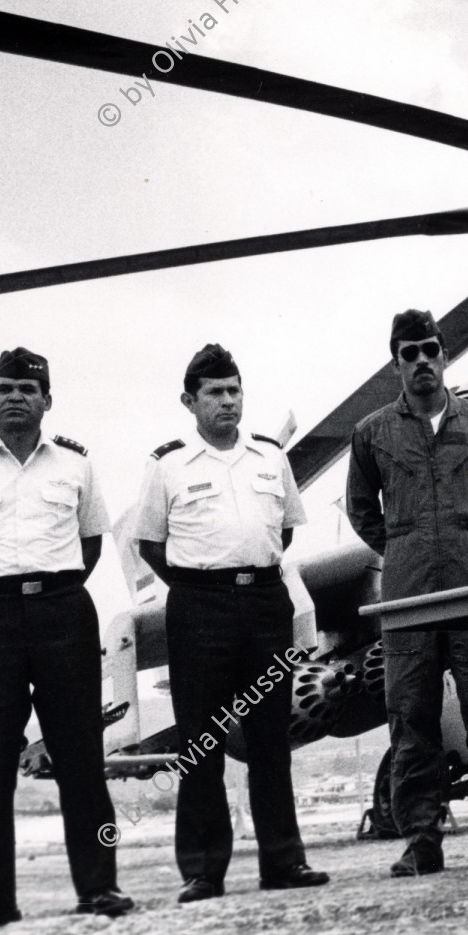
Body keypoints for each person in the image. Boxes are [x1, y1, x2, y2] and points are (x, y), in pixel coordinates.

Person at [0, 348, 134, 935]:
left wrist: (50, 589)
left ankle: (100, 887)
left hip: (63, 614)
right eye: (4, 388)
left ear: (47, 400)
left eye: (27, 388)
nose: (15, 396)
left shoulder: (76, 465)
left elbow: (91, 543)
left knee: (83, 761)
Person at [135, 344, 329, 903]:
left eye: (234, 390)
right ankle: (203, 869)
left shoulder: (270, 457)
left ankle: (283, 862)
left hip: (265, 603)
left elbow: (284, 531)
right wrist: (204, 585)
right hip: (199, 609)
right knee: (201, 742)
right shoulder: (168, 465)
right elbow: (150, 545)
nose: (227, 401)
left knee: (271, 737)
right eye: (215, 392)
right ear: (189, 401)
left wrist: (247, 576)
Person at [346, 309, 468, 875]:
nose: (422, 361)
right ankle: (420, 839)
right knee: (411, 715)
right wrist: (404, 546)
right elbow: (360, 511)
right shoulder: (372, 432)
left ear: (445, 355)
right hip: (407, 588)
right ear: (396, 362)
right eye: (409, 353)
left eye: (430, 349)